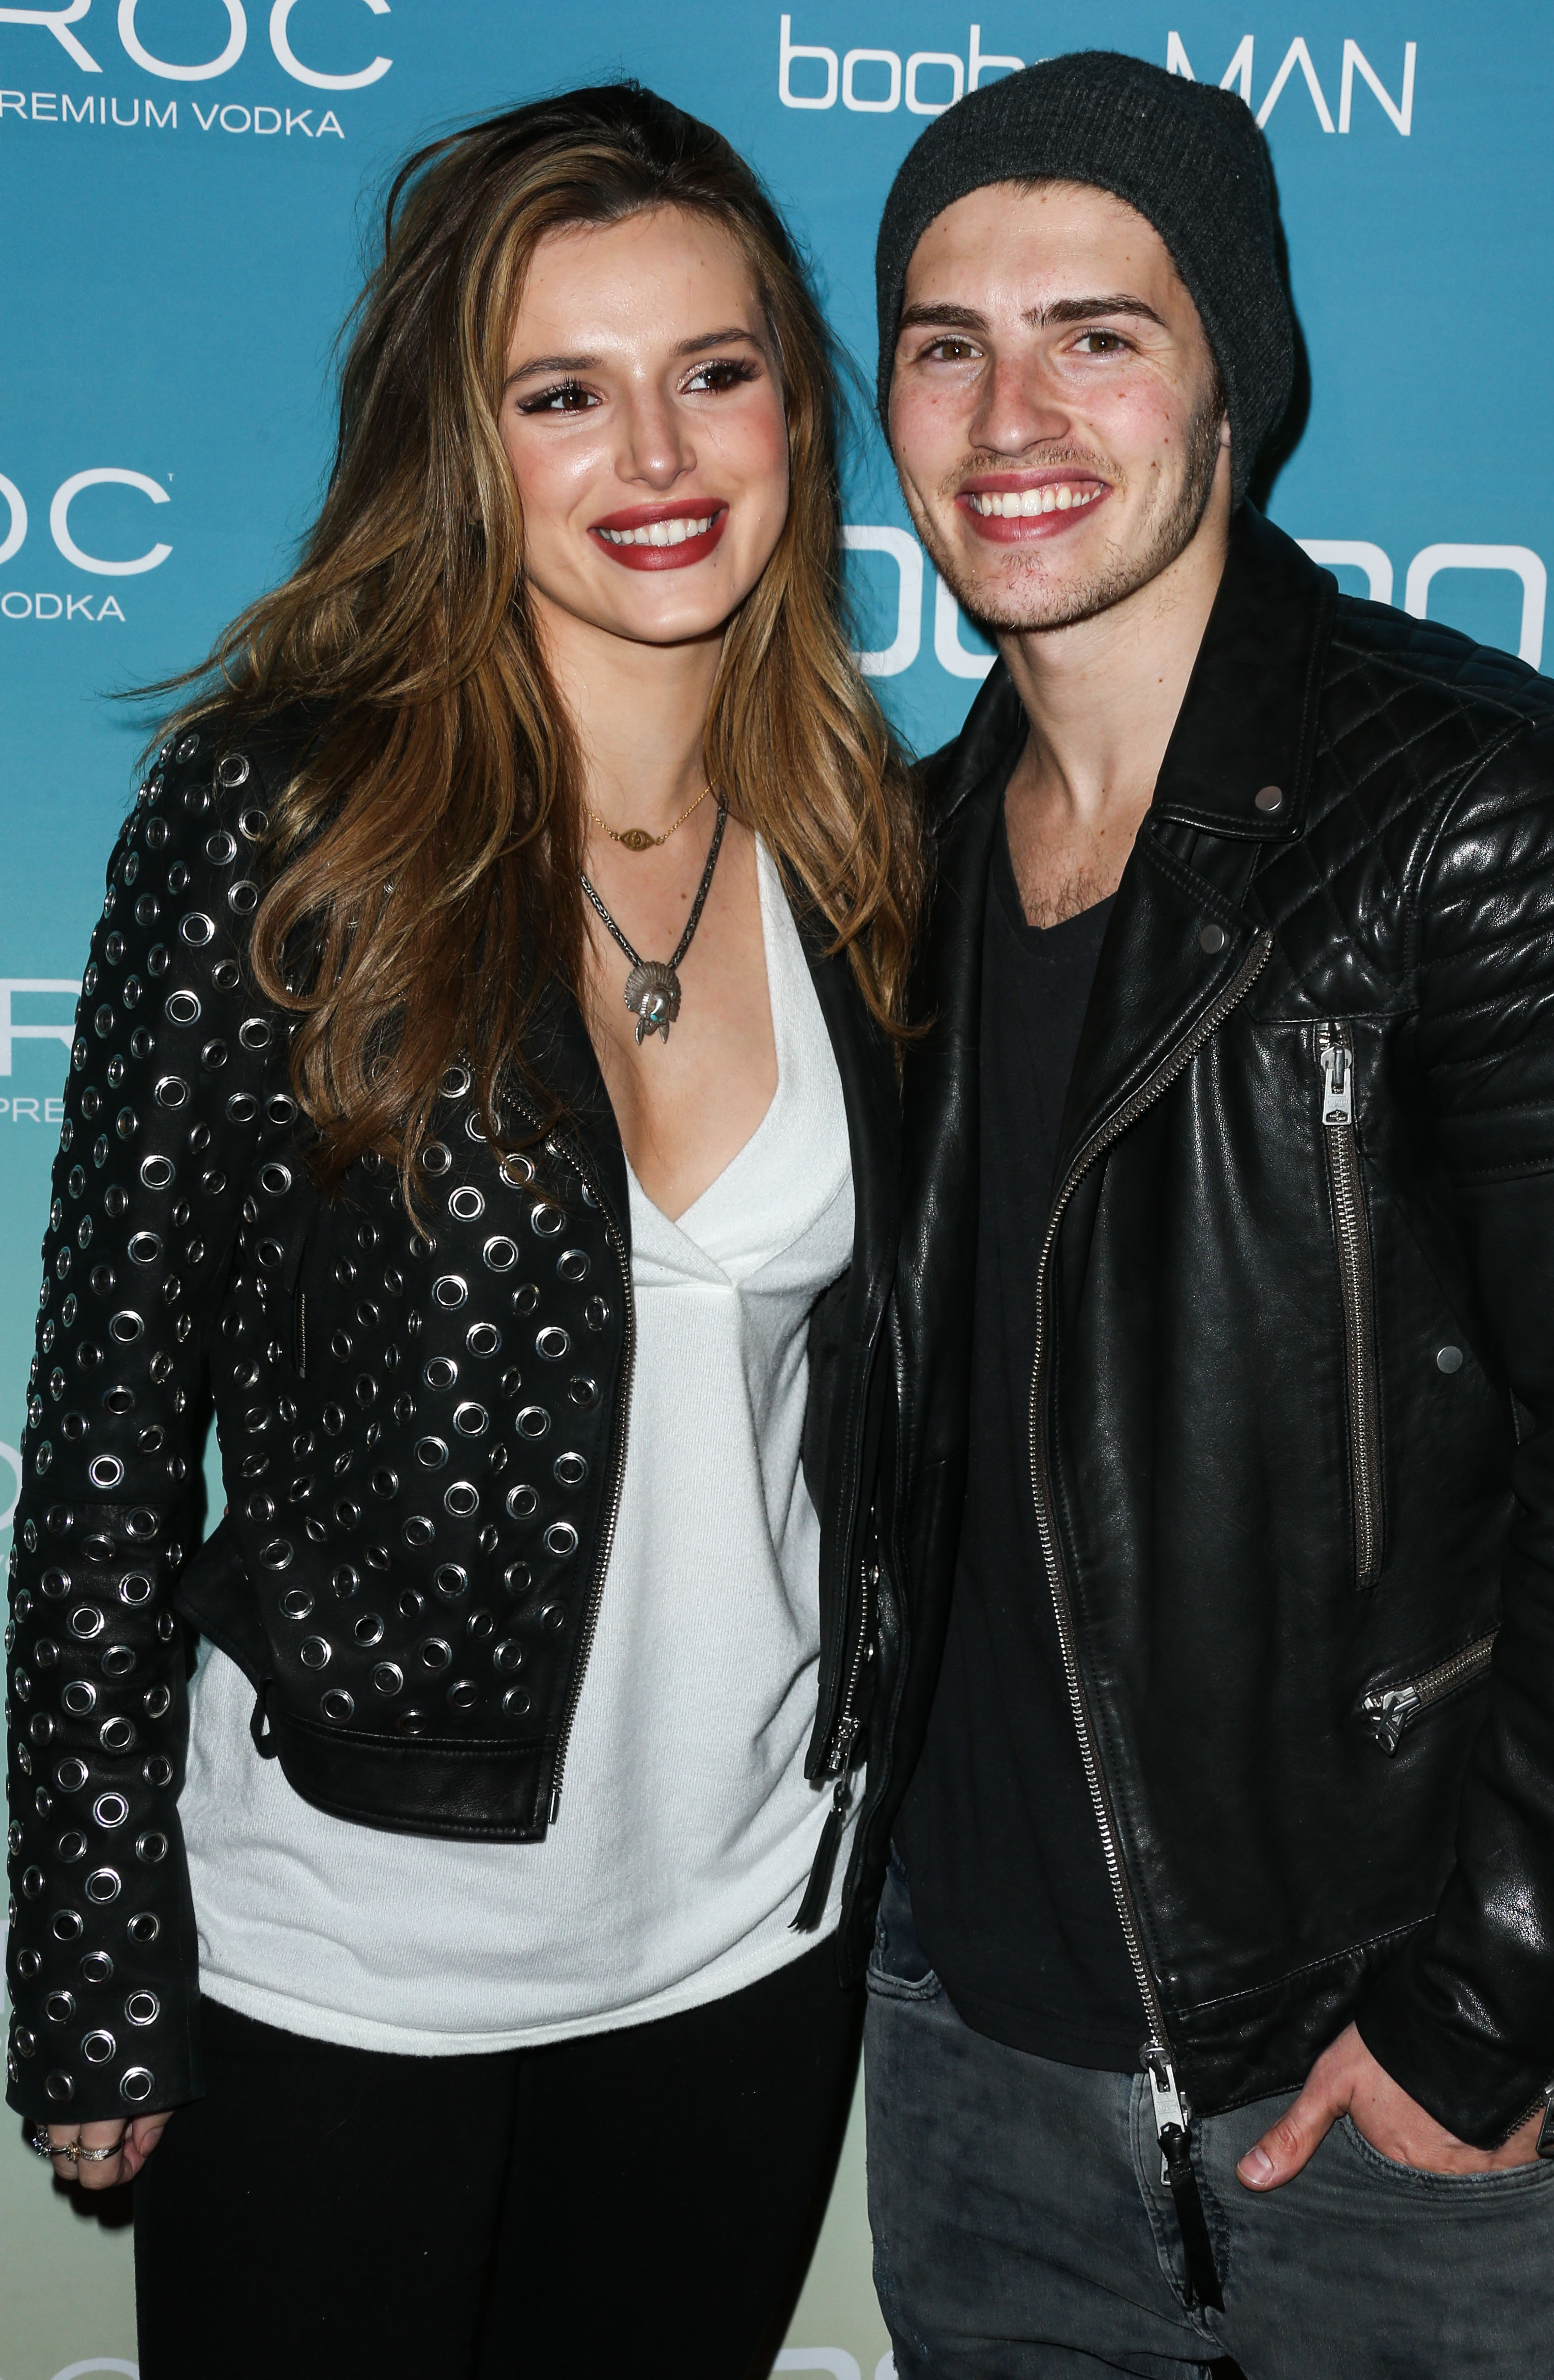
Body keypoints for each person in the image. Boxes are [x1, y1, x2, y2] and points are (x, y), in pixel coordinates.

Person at [857, 51, 1554, 2380]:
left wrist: (1493, 2012)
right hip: (969, 2084)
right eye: (948, 346)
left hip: (1378, 2093)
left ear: (1233, 380)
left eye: (1097, 335)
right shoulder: (886, 871)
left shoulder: (1495, 813)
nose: (1010, 417)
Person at [4, 83, 916, 2380]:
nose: (657, 456)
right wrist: (93, 1949)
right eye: (562, 394)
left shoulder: (862, 841)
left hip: (744, 1948)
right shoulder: (285, 823)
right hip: (345, 1965)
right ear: (460, 444)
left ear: (795, 416)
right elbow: (108, 1432)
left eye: (713, 372)